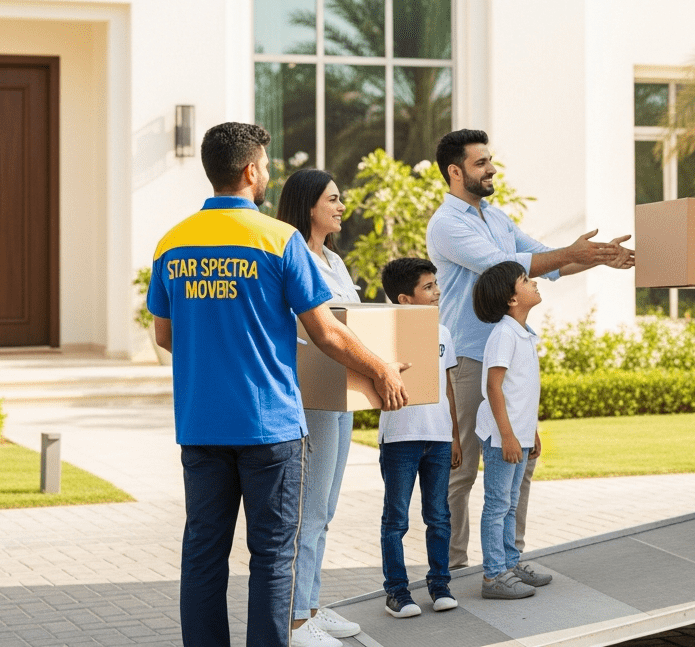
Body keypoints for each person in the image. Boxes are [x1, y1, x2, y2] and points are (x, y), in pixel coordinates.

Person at [147, 122, 408, 647]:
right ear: (250, 171)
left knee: (203, 553)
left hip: (200, 424)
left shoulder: (171, 243)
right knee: (271, 555)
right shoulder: (279, 240)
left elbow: (166, 335)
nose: (268, 173)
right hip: (268, 426)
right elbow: (328, 332)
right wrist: (380, 367)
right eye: (265, 165)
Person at [425, 128, 634, 570]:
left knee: (520, 459)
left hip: (511, 361)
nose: (491, 169)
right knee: (460, 472)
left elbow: (546, 257)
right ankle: (452, 566)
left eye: (489, 161)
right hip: (468, 359)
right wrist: (572, 253)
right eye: (481, 163)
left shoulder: (497, 218)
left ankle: (509, 558)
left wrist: (598, 256)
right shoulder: (446, 224)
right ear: (455, 171)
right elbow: (506, 267)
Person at [276, 168, 371, 646]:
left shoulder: (333, 259)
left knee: (326, 507)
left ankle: (312, 606)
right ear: (308, 205)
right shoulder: (293, 257)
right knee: (309, 510)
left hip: (342, 394)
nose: (340, 206)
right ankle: (295, 621)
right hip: (311, 395)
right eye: (332, 199)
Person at [376, 257, 461, 618]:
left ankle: (439, 584)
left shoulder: (442, 332)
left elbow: (448, 386)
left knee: (439, 516)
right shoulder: (384, 335)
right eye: (428, 287)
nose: (437, 292)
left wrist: (455, 434)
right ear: (404, 299)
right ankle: (397, 592)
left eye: (435, 285)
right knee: (396, 519)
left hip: (439, 438)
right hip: (400, 438)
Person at [471, 261, 548, 599]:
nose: (534, 283)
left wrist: (530, 431)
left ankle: (510, 564)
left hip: (518, 434)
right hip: (502, 437)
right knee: (498, 503)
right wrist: (507, 435)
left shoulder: (523, 333)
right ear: (512, 299)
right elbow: (494, 387)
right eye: (526, 280)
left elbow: (523, 391)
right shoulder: (504, 333)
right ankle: (493, 577)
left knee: (511, 502)